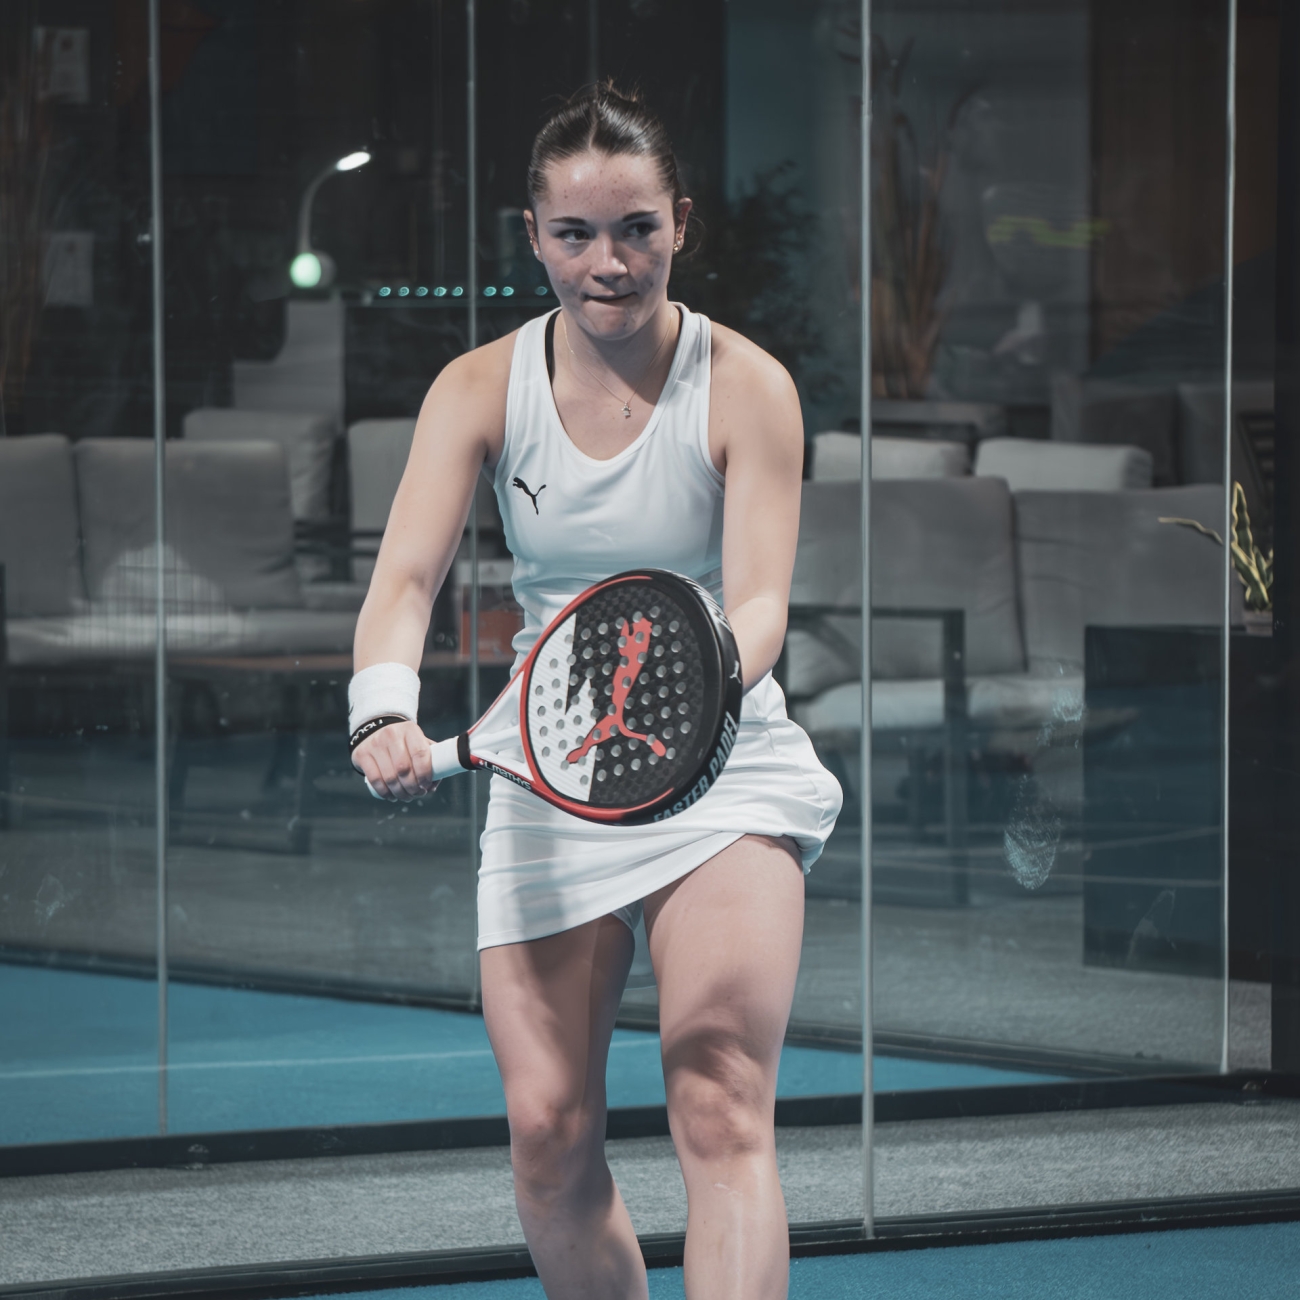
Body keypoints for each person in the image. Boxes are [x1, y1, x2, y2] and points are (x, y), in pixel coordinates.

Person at [349, 82, 842, 1300]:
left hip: (717, 768)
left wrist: (686, 693)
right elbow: (405, 578)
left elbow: (762, 603)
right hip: (549, 764)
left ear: (680, 224)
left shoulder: (748, 385)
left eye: (636, 230)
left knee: (719, 1097)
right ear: (533, 235)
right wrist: (382, 705)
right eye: (574, 234)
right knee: (547, 1133)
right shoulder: (477, 387)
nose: (607, 263)